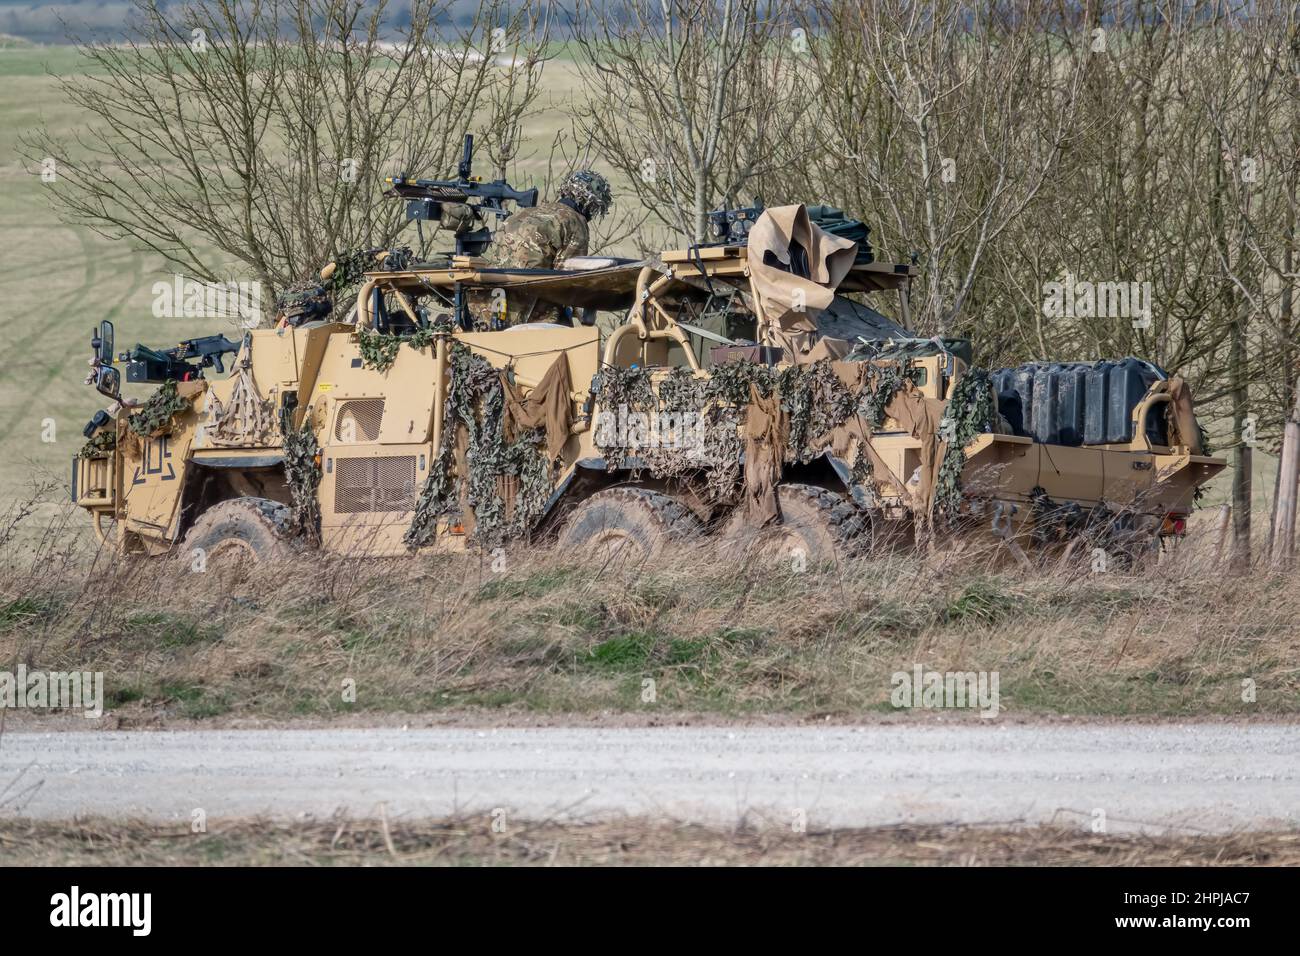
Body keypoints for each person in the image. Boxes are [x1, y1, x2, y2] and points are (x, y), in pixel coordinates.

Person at [488, 169, 613, 270]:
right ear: (590, 203)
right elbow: (569, 276)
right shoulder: (575, 221)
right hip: (527, 292)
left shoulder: (528, 211)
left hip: (491, 289)